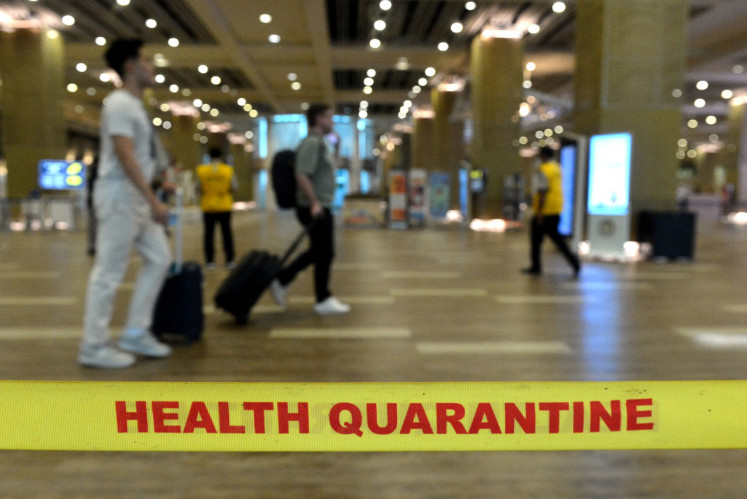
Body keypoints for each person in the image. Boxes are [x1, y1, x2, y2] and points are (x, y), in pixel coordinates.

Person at [78, 38, 172, 369]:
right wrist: (154, 201)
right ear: (130, 67)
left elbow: (140, 156)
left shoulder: (134, 105)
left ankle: (135, 331)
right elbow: (124, 154)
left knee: (160, 258)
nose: (152, 67)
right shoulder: (119, 103)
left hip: (137, 197)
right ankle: (93, 343)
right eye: (146, 61)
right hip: (120, 196)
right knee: (109, 271)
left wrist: (157, 186)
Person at [269, 103, 350, 315]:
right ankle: (321, 298)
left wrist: (338, 146)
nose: (333, 122)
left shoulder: (321, 143)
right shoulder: (311, 143)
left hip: (321, 205)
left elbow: (332, 168)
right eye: (330, 117)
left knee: (319, 251)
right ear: (319, 119)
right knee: (325, 252)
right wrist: (314, 203)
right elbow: (301, 174)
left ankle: (285, 281)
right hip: (313, 207)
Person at [522, 146, 581, 278]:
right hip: (555, 208)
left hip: (545, 211)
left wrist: (539, 213)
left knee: (537, 240)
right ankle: (573, 261)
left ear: (543, 155)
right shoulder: (557, 168)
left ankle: (536, 267)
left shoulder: (543, 170)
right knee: (557, 239)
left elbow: (543, 191)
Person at [195, 147, 237, 270]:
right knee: (227, 233)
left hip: (208, 206)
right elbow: (234, 186)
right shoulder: (228, 170)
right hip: (224, 205)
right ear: (221, 156)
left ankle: (210, 262)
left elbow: (197, 188)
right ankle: (229, 260)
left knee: (209, 234)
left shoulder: (202, 170)